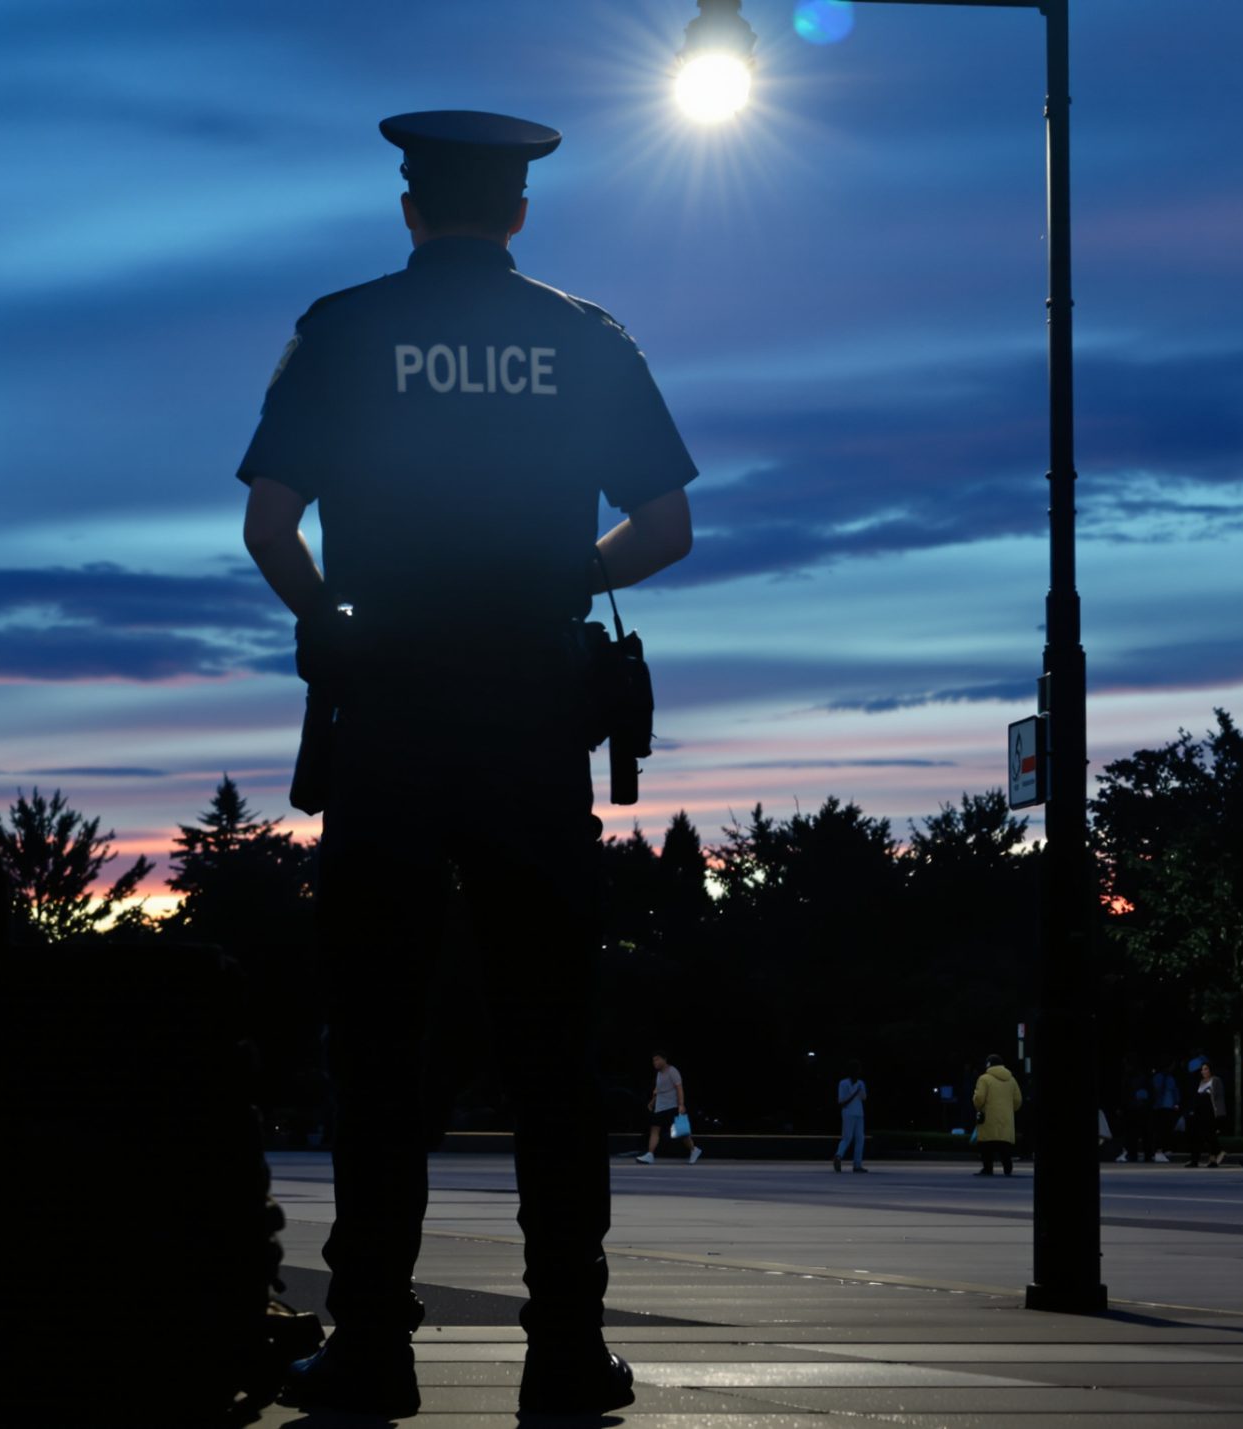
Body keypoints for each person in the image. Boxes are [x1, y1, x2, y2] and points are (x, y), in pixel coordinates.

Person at [242, 110, 698, 1421]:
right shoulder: (587, 337)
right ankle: (566, 1350)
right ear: (517, 213)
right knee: (552, 1046)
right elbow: (665, 524)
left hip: (387, 718)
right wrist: (562, 577)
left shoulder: (341, 330)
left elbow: (270, 524)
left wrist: (333, 622)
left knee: (375, 1044)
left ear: (409, 208)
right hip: (531, 720)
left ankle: (371, 1348)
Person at [636, 1053, 701, 1166]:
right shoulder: (659, 1074)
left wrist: (681, 1105)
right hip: (660, 1107)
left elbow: (679, 1088)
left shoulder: (672, 1071)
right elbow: (659, 1090)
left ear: (664, 1059)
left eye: (657, 1060)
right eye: (653, 1060)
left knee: (682, 1133)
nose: (655, 1063)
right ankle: (650, 1154)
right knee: (654, 1129)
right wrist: (652, 1102)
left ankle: (694, 1150)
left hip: (672, 1106)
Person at [972, 1055, 1021, 1176]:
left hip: (989, 1119)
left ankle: (988, 1169)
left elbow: (979, 1099)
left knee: (986, 1145)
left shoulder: (984, 1079)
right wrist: (1009, 1110)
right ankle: (1008, 1168)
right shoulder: (1011, 1080)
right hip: (1006, 1120)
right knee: (1004, 1146)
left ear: (988, 1064)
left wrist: (977, 1106)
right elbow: (1018, 1101)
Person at [1186, 1059, 1226, 1167]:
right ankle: (1196, 1159)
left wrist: (1219, 1113)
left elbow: (1219, 1097)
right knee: (1198, 1136)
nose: (1203, 1071)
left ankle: (1213, 1158)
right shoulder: (1201, 1082)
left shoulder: (1216, 1080)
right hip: (1200, 1112)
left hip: (1211, 1112)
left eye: (1206, 1069)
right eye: (1202, 1069)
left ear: (1210, 1070)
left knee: (1209, 1135)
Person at [833, 1059, 867, 1173]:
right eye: (857, 1070)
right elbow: (842, 1102)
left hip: (859, 1114)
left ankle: (857, 1165)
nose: (858, 1072)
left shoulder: (861, 1083)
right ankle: (838, 1156)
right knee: (847, 1137)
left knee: (860, 1139)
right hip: (848, 1113)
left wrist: (859, 1091)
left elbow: (864, 1098)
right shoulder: (843, 1083)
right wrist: (855, 1093)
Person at [1148, 1060, 1180, 1164]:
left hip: (1169, 1106)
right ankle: (1158, 1150)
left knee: (1167, 1128)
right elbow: (1154, 1091)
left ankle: (1165, 1148)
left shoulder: (1171, 1078)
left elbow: (1175, 1091)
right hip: (1159, 1106)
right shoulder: (1157, 1077)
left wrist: (1176, 1102)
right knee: (1159, 1129)